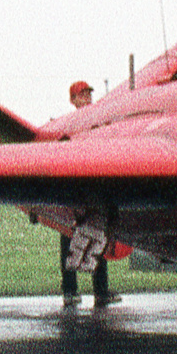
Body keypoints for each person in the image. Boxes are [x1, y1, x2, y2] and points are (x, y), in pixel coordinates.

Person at [60, 80, 119, 307]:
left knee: (98, 242)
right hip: (73, 195)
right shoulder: (68, 126)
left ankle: (101, 291)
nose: (87, 98)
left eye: (88, 94)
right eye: (82, 95)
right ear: (73, 100)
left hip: (95, 193)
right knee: (69, 244)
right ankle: (69, 291)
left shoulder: (98, 125)